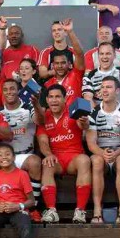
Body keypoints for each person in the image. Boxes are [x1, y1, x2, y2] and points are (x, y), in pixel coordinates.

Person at [36, 84, 91, 224]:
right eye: (51, 97)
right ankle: (51, 210)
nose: (54, 100)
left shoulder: (73, 111)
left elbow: (83, 125)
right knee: (47, 163)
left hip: (74, 157)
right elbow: (42, 142)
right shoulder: (44, 116)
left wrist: (84, 122)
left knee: (85, 160)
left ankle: (80, 211)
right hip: (57, 159)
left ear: (65, 99)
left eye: (58, 97)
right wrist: (48, 154)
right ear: (47, 100)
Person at [86, 76, 120, 224]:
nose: (104, 90)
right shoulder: (93, 113)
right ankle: (97, 210)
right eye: (103, 87)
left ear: (117, 91)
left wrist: (116, 153)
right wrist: (102, 153)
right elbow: (91, 143)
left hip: (119, 152)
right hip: (101, 154)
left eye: (109, 87)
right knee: (96, 160)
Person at [0, 79, 44, 221]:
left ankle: (33, 208)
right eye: (5, 89)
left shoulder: (28, 108)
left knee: (35, 162)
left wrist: (36, 104)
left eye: (12, 89)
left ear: (18, 91)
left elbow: (41, 121)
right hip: (4, 157)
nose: (9, 92)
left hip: (23, 155)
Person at [43, 19, 86, 106]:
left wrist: (70, 31)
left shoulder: (75, 76)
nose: (60, 66)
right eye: (57, 63)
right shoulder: (48, 84)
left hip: (74, 118)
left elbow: (80, 54)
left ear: (70, 65)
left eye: (63, 63)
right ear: (52, 66)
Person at [82, 40, 120, 108]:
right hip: (98, 116)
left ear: (114, 55)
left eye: (108, 53)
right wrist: (97, 115)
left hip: (119, 116)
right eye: (101, 54)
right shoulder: (89, 75)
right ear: (98, 56)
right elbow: (88, 98)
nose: (104, 57)